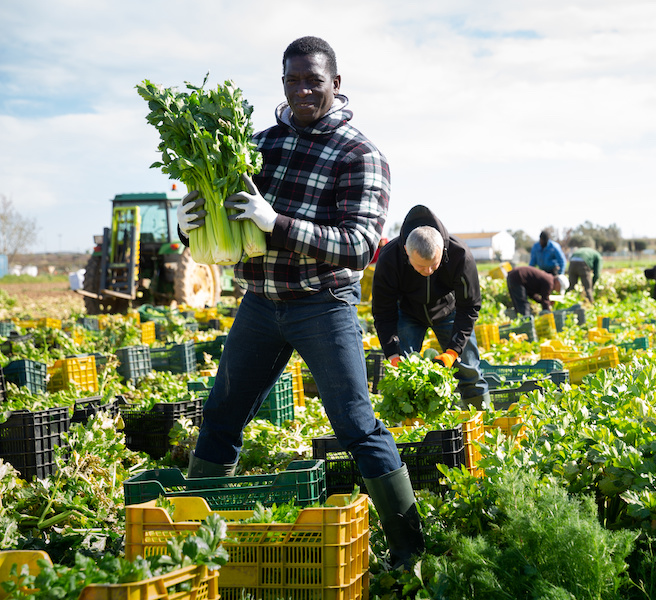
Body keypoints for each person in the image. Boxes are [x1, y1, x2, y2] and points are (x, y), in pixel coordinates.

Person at [175, 36, 424, 569]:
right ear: (283, 83)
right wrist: (187, 224)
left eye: (314, 80)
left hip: (324, 304)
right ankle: (194, 547)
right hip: (261, 304)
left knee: (356, 425)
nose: (303, 90)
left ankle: (409, 553)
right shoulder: (257, 143)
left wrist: (276, 224)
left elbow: (359, 247)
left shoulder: (361, 155)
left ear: (336, 83)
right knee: (220, 416)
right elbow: (223, 221)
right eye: (293, 80)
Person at [372, 205, 491, 410]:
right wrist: (392, 353)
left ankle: (482, 420)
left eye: (434, 266)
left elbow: (469, 306)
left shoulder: (459, 254)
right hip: (408, 312)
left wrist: (453, 351)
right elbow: (383, 311)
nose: (428, 271)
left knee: (469, 370)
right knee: (405, 374)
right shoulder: (389, 258)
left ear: (441, 250)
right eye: (420, 267)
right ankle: (412, 428)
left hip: (449, 310)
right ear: (406, 253)